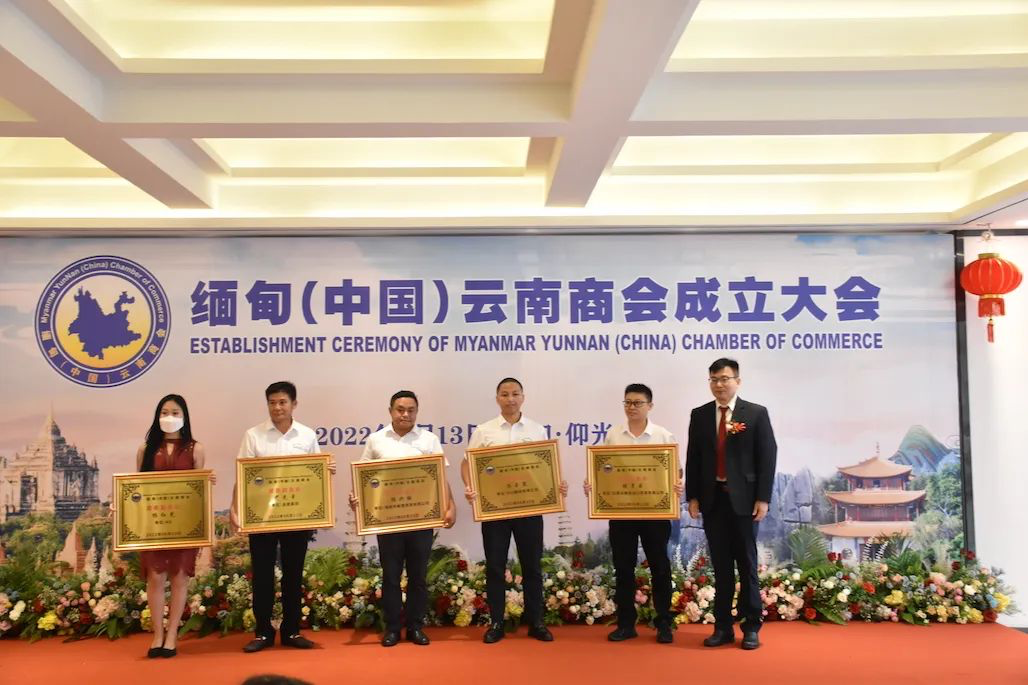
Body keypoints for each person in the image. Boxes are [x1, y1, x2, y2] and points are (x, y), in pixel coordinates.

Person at [461, 377, 568, 644]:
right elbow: (467, 464)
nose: (510, 399)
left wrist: (556, 486)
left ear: (523, 397)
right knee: (495, 567)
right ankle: (496, 622)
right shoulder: (484, 431)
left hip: (529, 510)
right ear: (497, 398)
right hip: (495, 511)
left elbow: (545, 467)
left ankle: (536, 622)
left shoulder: (536, 429)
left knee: (532, 567)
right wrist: (470, 487)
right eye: (505, 394)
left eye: (515, 394)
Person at [231, 381, 334, 653]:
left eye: (282, 402)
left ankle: (291, 631)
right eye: (272, 403)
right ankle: (263, 632)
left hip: (296, 517)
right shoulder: (253, 435)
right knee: (262, 575)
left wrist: (326, 470)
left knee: (293, 575)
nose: (277, 407)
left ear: (293, 404)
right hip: (262, 518)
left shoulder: (307, 435)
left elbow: (315, 475)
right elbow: (242, 476)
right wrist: (234, 508)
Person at [349, 390, 456, 647]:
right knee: (391, 576)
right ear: (390, 411)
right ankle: (393, 628)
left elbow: (440, 478)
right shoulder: (376, 440)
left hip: (421, 520)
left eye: (410, 410)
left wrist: (451, 506)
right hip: (388, 522)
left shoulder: (429, 440)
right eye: (400, 409)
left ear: (416, 412)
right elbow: (364, 478)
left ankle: (416, 627)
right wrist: (357, 501)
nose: (405, 414)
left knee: (418, 577)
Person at [685, 358, 776, 650]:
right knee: (721, 566)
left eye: (724, 379)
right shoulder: (700, 415)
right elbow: (693, 457)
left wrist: (763, 498)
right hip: (713, 501)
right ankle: (722, 627)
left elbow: (767, 456)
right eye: (713, 380)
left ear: (737, 381)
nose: (719, 385)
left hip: (745, 502)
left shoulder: (756, 413)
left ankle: (751, 627)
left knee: (747, 565)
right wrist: (693, 496)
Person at [583, 383, 682, 643]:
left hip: (655, 514)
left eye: (638, 402)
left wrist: (677, 484)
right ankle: (626, 623)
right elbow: (603, 470)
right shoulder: (613, 435)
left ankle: (664, 623)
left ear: (650, 406)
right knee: (623, 568)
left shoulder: (663, 436)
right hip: (622, 513)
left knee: (660, 567)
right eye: (627, 402)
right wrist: (593, 484)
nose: (632, 407)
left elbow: (676, 471)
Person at [134, 394, 213, 658]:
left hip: (184, 524)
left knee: (179, 579)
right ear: (157, 416)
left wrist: (207, 482)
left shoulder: (196, 449)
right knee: (155, 578)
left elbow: (199, 489)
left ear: (184, 417)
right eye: (165, 412)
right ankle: (157, 634)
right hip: (153, 524)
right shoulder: (145, 450)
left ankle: (171, 637)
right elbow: (136, 489)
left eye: (175, 413)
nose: (170, 417)